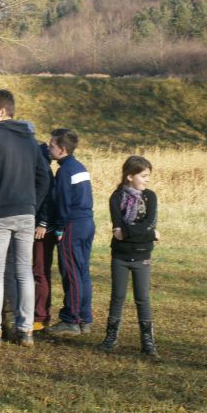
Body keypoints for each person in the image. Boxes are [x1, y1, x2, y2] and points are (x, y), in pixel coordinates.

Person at [0, 89, 50, 347]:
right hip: (26, 213)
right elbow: (44, 176)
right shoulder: (29, 139)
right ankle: (25, 330)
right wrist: (33, 204)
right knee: (24, 272)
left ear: (2, 112)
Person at [99, 155, 160, 357]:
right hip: (120, 256)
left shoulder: (150, 197)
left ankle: (148, 342)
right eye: (143, 176)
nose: (147, 180)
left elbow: (149, 223)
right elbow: (119, 229)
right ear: (130, 176)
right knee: (117, 297)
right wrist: (150, 235)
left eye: (148, 176)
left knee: (142, 298)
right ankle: (111, 337)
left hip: (142, 255)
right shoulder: (116, 198)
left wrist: (138, 232)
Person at [47, 129, 95, 337]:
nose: (49, 149)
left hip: (72, 225)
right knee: (82, 271)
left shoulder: (64, 171)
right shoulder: (79, 167)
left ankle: (71, 319)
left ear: (62, 149)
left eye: (52, 146)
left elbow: (63, 203)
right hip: (86, 222)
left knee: (71, 272)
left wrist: (58, 227)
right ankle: (85, 317)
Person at [32, 142, 57, 331]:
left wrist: (43, 223)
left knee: (40, 270)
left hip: (42, 230)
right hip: (32, 226)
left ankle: (41, 315)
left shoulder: (44, 172)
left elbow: (49, 200)